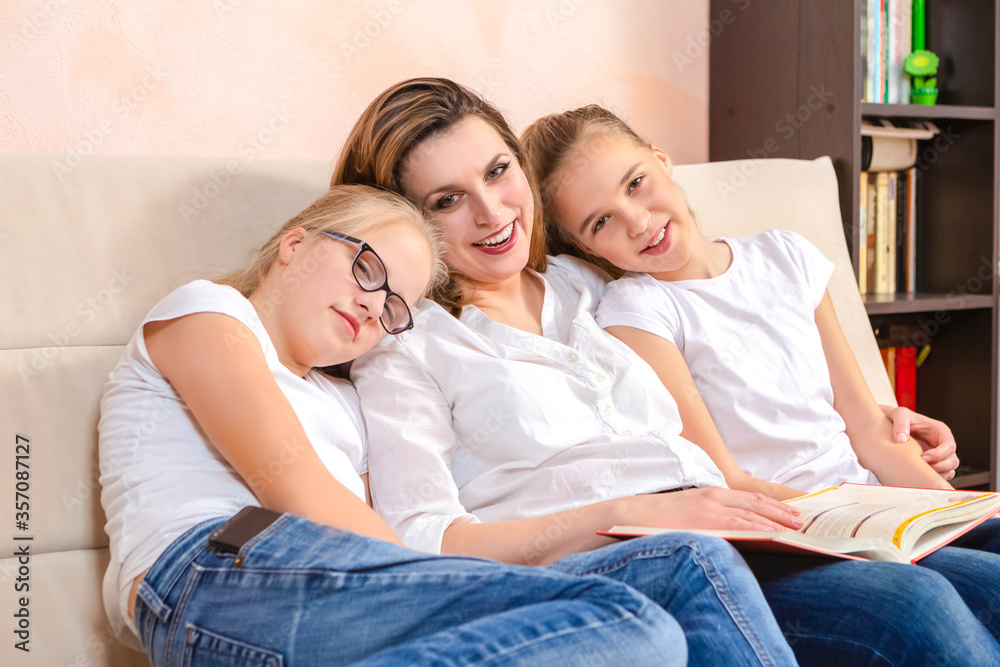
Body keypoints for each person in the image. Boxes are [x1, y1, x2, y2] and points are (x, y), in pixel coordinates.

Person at [335, 77, 1000, 665]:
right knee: (915, 609)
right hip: (635, 563)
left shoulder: (589, 281)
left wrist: (881, 421)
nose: (491, 211)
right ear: (405, 221)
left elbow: (733, 323)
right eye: (447, 200)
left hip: (735, 529)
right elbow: (424, 536)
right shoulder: (407, 347)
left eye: (497, 170)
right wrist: (631, 511)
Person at [98, 184, 691, 666]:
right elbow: (298, 492)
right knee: (631, 624)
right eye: (366, 269)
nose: (373, 306)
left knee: (647, 612)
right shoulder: (209, 311)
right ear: (294, 244)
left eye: (395, 306)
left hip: (312, 602)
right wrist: (446, 581)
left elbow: (370, 536)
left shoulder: (343, 401)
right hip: (210, 570)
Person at [520, 101, 1000, 641]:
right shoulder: (639, 311)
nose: (637, 221)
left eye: (635, 183)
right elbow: (726, 478)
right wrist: (860, 521)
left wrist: (950, 514)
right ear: (584, 247)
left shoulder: (786, 255)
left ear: (661, 160)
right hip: (786, 538)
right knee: (946, 598)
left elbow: (867, 430)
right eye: (600, 221)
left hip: (875, 509)